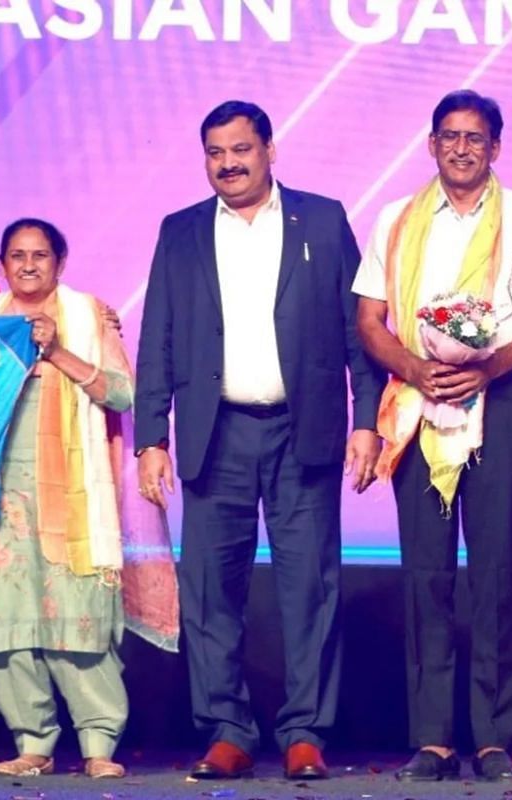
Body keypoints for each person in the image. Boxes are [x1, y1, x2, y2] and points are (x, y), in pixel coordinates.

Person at [134, 100, 382, 781]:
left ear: (270, 150)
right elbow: (157, 337)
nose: (228, 163)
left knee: (310, 588)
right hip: (217, 435)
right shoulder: (180, 231)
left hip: (305, 433)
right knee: (211, 591)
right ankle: (228, 730)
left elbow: (358, 331)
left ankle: (305, 733)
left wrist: (369, 421)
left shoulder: (323, 220)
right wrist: (150, 435)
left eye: (241, 149)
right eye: (215, 152)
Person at [353, 90, 512, 783]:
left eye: (475, 138)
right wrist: (418, 368)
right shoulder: (396, 218)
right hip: (417, 406)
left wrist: (488, 367)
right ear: (431, 144)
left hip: (501, 401)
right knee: (426, 577)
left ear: (495, 148)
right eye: (448, 136)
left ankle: (491, 737)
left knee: (495, 573)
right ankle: (433, 738)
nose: (460, 148)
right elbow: (369, 320)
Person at [0, 218, 178, 779]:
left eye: (41, 255)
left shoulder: (87, 316)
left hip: (76, 492)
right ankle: (31, 742)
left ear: (60, 263)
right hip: (0, 494)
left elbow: (122, 391)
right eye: (17, 255)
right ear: (3, 263)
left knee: (77, 616)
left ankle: (98, 745)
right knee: (9, 619)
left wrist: (59, 351)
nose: (29, 264)